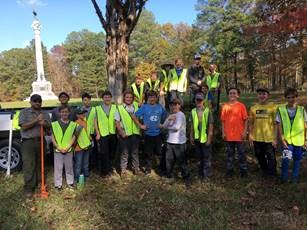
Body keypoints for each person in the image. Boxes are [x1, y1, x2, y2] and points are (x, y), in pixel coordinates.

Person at [19, 94, 50, 198]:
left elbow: (49, 130)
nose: (37, 103)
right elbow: (23, 126)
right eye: (35, 101)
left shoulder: (44, 113)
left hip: (41, 141)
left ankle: (42, 185)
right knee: (29, 165)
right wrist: (37, 120)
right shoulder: (24, 112)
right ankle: (29, 188)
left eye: (39, 101)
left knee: (41, 164)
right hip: (28, 142)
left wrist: (44, 124)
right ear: (31, 102)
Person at [132, 90, 167, 175]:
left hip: (158, 134)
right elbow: (133, 116)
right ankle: (148, 170)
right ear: (148, 98)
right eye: (150, 97)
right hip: (148, 135)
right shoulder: (144, 107)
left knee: (159, 152)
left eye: (154, 97)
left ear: (156, 98)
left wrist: (162, 124)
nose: (152, 99)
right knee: (148, 153)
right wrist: (141, 126)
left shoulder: (160, 107)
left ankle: (160, 169)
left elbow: (165, 116)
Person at [276, 88, 307, 183]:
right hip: (287, 141)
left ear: (296, 97)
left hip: (299, 141)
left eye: (293, 97)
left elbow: (306, 126)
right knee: (286, 159)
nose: (291, 99)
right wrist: (281, 138)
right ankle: (284, 178)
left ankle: (295, 178)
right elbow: (279, 125)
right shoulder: (281, 110)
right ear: (286, 98)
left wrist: (306, 140)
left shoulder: (301, 110)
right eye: (289, 97)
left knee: (297, 160)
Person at [161, 99, 191, 187]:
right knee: (169, 160)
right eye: (172, 105)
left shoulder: (181, 115)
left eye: (175, 105)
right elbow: (165, 125)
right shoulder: (171, 115)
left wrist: (166, 125)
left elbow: (176, 127)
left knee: (182, 161)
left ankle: (186, 178)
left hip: (179, 143)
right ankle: (169, 175)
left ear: (179, 105)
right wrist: (168, 119)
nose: (173, 106)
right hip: (170, 141)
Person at [249, 88, 277, 179]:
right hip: (257, 137)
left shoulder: (273, 107)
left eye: (264, 94)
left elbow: (276, 124)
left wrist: (275, 138)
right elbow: (251, 123)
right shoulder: (253, 108)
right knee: (259, 156)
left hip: (269, 138)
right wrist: (250, 135)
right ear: (257, 96)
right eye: (260, 94)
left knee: (271, 157)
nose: (262, 96)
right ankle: (265, 171)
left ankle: (272, 174)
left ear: (268, 95)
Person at [220, 87, 248, 177]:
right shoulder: (225, 106)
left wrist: (245, 132)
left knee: (241, 153)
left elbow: (246, 120)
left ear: (237, 95)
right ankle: (230, 170)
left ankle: (243, 170)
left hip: (239, 134)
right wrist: (223, 132)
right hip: (228, 135)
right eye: (230, 93)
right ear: (228, 95)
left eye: (234, 93)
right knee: (229, 154)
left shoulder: (241, 106)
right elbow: (223, 121)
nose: (232, 95)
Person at [51, 105, 78, 190]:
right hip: (57, 150)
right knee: (58, 168)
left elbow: (74, 136)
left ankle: (70, 183)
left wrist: (68, 147)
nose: (64, 113)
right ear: (59, 113)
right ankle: (58, 185)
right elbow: (53, 137)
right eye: (62, 112)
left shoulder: (73, 124)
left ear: (69, 113)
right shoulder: (54, 124)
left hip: (68, 149)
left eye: (66, 112)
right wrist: (58, 147)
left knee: (69, 167)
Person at [115, 90, 141, 177]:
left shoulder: (137, 106)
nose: (129, 99)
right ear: (124, 98)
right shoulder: (120, 108)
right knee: (124, 153)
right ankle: (123, 170)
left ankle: (136, 168)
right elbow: (117, 122)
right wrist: (121, 133)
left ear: (133, 98)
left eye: (130, 97)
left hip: (135, 133)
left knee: (135, 152)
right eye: (127, 97)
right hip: (124, 134)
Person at [190, 93, 213, 180]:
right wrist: (191, 136)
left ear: (203, 101)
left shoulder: (207, 111)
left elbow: (211, 126)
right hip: (196, 139)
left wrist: (209, 139)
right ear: (195, 100)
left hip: (205, 139)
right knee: (199, 157)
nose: (199, 101)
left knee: (206, 158)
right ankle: (200, 174)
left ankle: (206, 175)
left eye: (200, 100)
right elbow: (192, 125)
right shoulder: (193, 111)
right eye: (197, 100)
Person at [95, 90, 117, 178]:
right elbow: (95, 122)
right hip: (103, 134)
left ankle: (110, 169)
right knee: (104, 153)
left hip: (113, 133)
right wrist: (97, 133)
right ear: (102, 99)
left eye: (108, 97)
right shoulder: (98, 108)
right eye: (105, 97)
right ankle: (104, 172)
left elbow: (118, 120)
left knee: (112, 153)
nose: (107, 99)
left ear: (111, 98)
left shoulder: (115, 107)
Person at [74, 108, 92, 184]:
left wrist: (90, 139)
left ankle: (86, 176)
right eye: (81, 113)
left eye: (84, 113)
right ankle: (77, 178)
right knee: (78, 163)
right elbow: (74, 136)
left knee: (86, 162)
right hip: (79, 148)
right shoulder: (75, 123)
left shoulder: (85, 122)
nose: (83, 115)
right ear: (77, 115)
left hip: (87, 146)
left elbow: (87, 133)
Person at [81, 93, 97, 170]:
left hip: (92, 133)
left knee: (93, 150)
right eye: (84, 100)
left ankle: (93, 165)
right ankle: (84, 165)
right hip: (83, 133)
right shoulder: (79, 109)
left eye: (88, 100)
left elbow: (96, 121)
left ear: (90, 100)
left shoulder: (94, 109)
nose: (86, 102)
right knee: (84, 149)